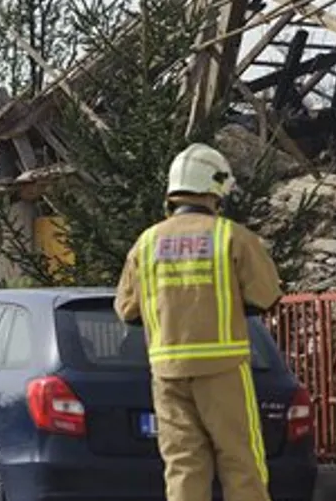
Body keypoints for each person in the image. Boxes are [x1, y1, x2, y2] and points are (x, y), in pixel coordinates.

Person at [114, 143, 284, 501]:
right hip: (223, 369)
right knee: (242, 462)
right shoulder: (231, 236)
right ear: (214, 188)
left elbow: (127, 309)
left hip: (167, 373)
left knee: (183, 466)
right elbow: (266, 296)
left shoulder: (146, 243)